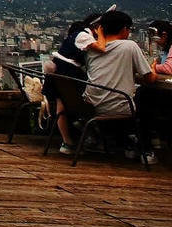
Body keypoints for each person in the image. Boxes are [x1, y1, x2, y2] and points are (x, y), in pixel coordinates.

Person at [83, 9, 159, 161]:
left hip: (90, 105)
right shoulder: (129, 46)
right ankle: (146, 149)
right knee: (146, 96)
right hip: (118, 107)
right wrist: (153, 67)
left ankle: (127, 144)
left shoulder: (90, 48)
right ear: (125, 29)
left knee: (125, 97)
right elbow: (150, 79)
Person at [42, 12, 100, 154]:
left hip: (56, 74)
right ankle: (84, 126)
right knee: (86, 102)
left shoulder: (73, 38)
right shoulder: (85, 36)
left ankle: (67, 142)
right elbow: (102, 48)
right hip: (70, 75)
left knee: (60, 108)